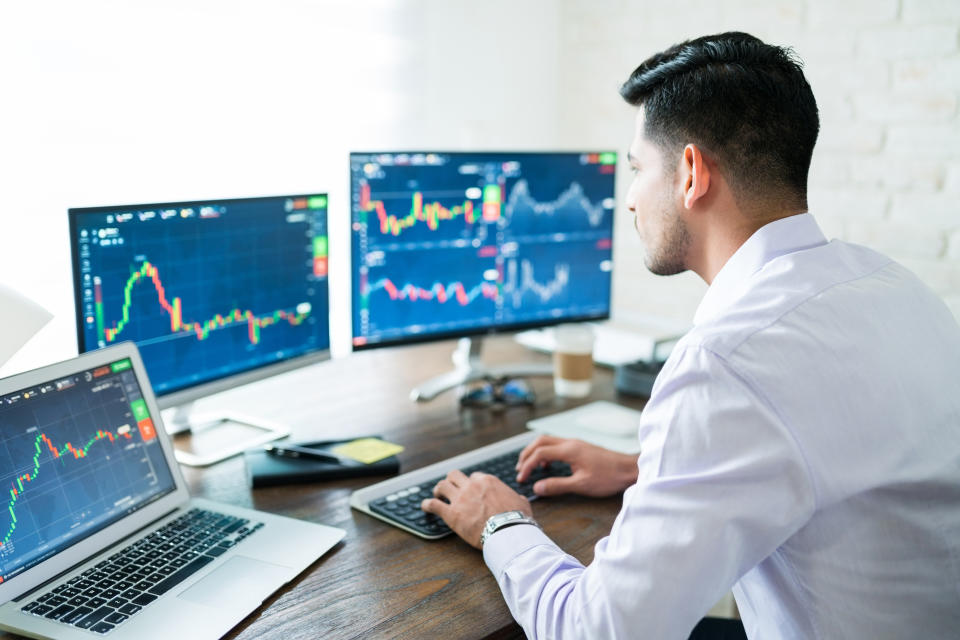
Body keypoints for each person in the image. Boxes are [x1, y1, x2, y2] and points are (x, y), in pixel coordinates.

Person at [421, 31, 960, 639]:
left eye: (636, 169)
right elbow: (825, 448)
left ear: (690, 173)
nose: (629, 200)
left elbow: (595, 631)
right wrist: (641, 468)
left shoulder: (727, 364)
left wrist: (502, 524)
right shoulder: (890, 285)